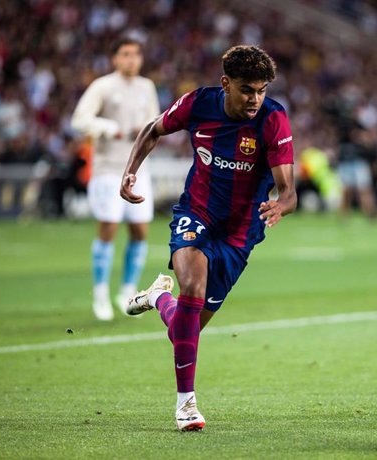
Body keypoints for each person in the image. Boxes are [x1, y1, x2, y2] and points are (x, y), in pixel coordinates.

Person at [120, 45, 296, 431]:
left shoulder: (273, 119)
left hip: (241, 232)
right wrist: (130, 171)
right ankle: (186, 405)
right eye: (247, 89)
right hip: (196, 214)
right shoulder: (199, 103)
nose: (255, 99)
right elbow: (153, 129)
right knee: (194, 288)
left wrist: (281, 205)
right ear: (226, 83)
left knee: (185, 329)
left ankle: (157, 297)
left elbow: (288, 190)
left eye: (262, 90)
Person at [71, 37, 160, 321]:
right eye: (126, 54)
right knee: (108, 228)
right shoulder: (103, 86)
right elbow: (79, 120)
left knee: (140, 231)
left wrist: (145, 130)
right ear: (115, 59)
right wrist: (108, 128)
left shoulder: (147, 87)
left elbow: (155, 122)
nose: (132, 59)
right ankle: (100, 294)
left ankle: (127, 292)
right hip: (108, 169)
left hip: (138, 170)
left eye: (136, 54)